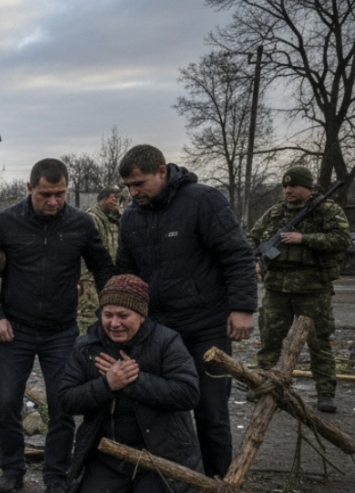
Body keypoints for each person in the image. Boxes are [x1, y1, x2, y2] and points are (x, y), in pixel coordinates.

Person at [0, 158, 117, 493]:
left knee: (62, 404)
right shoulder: (4, 222)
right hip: (14, 330)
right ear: (29, 188)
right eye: (45, 195)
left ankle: (56, 474)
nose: (53, 201)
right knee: (6, 404)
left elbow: (103, 268)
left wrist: (108, 313)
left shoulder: (81, 223)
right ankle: (11, 471)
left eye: (60, 194)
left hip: (61, 331)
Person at [116, 145, 257, 478]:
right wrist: (119, 316)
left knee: (211, 411)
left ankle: (217, 479)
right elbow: (125, 271)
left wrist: (242, 308)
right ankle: (169, 478)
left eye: (139, 184)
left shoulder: (203, 201)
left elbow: (236, 256)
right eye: (128, 187)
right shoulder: (132, 216)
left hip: (206, 327)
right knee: (157, 408)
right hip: (159, 331)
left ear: (162, 172)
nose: (134, 193)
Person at [59, 274, 202, 493]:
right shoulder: (86, 346)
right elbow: (67, 400)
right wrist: (106, 384)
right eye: (108, 315)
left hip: (161, 454)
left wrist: (132, 382)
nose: (114, 323)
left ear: (141, 315)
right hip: (107, 454)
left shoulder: (167, 341)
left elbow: (188, 393)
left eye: (123, 315)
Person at [246, 166, 349, 413]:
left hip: (312, 289)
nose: (288, 190)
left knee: (319, 342)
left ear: (308, 187)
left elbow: (342, 239)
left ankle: (325, 394)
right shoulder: (275, 213)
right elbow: (252, 238)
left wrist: (304, 239)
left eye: (294, 186)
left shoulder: (327, 210)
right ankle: (264, 385)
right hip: (276, 289)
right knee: (269, 340)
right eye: (285, 186)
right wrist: (253, 262)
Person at [77, 186, 121, 334]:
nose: (114, 201)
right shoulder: (93, 218)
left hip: (108, 274)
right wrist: (85, 277)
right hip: (90, 277)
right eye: (111, 197)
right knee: (89, 313)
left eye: (116, 198)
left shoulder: (114, 219)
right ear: (102, 199)